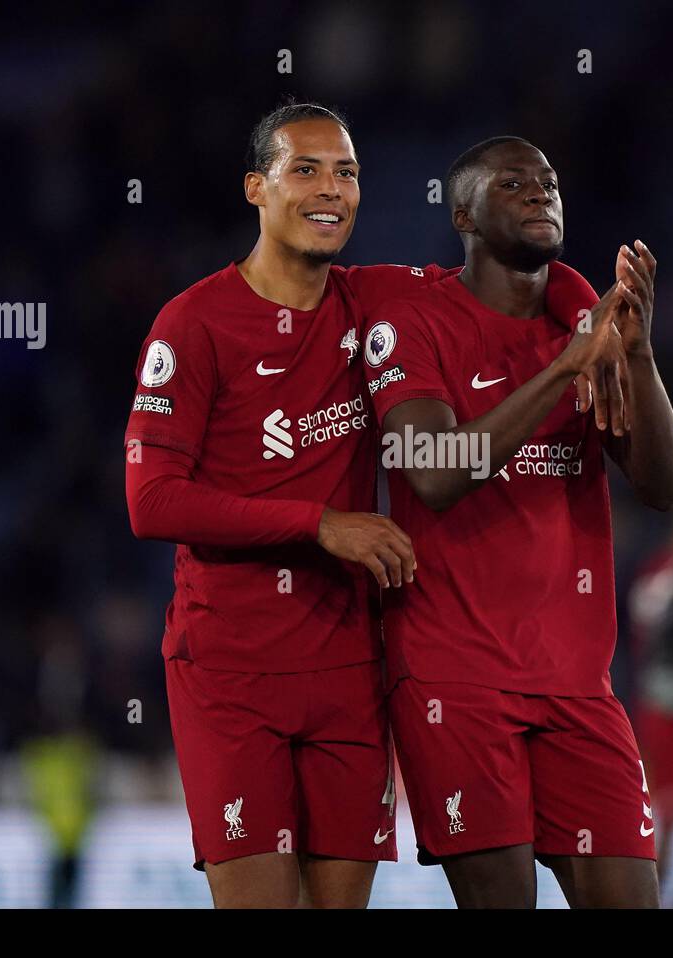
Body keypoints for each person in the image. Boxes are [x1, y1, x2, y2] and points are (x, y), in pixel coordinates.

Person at [123, 105, 604, 908]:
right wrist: (318, 524)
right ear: (257, 189)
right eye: (304, 170)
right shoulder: (193, 324)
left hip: (349, 664)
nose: (331, 190)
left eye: (345, 172)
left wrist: (590, 323)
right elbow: (151, 501)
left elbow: (534, 278)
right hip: (231, 672)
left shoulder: (375, 302)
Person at [365, 135, 673, 908]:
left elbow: (663, 485)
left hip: (577, 684)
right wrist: (566, 368)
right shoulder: (415, 321)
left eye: (548, 182)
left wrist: (637, 359)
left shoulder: (579, 301)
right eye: (514, 184)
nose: (541, 193)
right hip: (457, 677)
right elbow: (434, 472)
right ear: (464, 215)